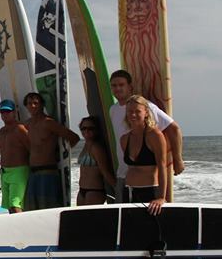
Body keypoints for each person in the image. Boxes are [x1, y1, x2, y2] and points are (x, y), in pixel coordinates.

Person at [109, 70, 184, 202]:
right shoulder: (113, 110)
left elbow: (173, 128)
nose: (118, 88)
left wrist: (177, 160)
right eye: (114, 86)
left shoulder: (147, 107)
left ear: (130, 86)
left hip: (149, 182)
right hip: (124, 175)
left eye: (121, 85)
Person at [23, 92, 80, 211]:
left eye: (35, 103)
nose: (32, 106)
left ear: (42, 105)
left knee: (48, 210)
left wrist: (64, 157)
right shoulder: (27, 124)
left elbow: (74, 138)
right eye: (29, 103)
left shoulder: (48, 122)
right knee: (31, 211)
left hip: (48, 172)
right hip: (33, 173)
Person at [120, 96, 168, 215]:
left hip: (150, 192)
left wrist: (162, 197)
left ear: (146, 112)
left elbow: (162, 167)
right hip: (128, 191)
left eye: (137, 111)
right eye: (130, 111)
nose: (133, 115)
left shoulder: (155, 135)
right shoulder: (125, 139)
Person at [0, 100, 30, 214]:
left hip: (19, 170)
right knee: (9, 206)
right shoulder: (1, 131)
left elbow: (30, 148)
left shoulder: (20, 128)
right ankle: (14, 230)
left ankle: (21, 231)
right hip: (4, 171)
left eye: (7, 111)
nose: (4, 114)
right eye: (2, 111)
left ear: (14, 112)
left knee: (15, 204)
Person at [76, 116, 117, 206]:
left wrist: (117, 189)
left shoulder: (96, 147)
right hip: (82, 189)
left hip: (94, 190)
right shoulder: (86, 145)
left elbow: (105, 171)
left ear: (96, 130)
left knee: (90, 219)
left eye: (90, 128)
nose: (86, 131)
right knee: (80, 219)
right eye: (83, 128)